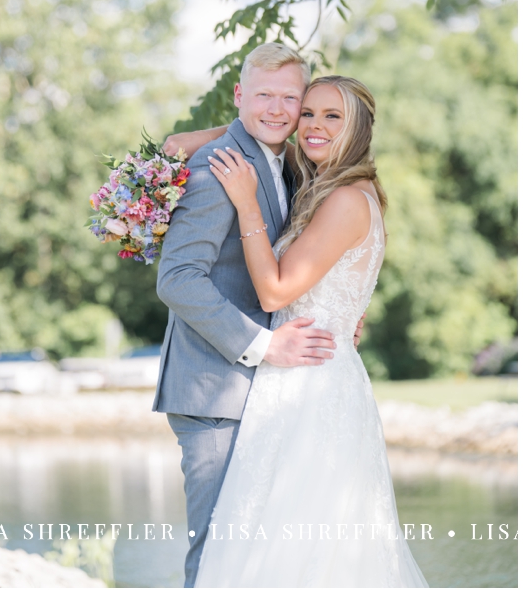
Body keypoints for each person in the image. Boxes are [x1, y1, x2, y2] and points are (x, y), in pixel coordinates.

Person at [176, 75, 426, 586]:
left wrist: (246, 203)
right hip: (293, 378)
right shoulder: (321, 183)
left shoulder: (346, 201)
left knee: (303, 548)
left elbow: (274, 292)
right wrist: (225, 132)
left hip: (311, 388)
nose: (312, 126)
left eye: (332, 117)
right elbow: (195, 142)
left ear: (358, 128)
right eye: (306, 113)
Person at [153, 43, 360, 586]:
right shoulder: (217, 166)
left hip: (272, 395)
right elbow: (177, 279)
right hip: (217, 389)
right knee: (219, 554)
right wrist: (264, 345)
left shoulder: (286, 162)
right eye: (263, 94)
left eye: (289, 97)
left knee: (260, 556)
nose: (276, 108)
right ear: (239, 96)